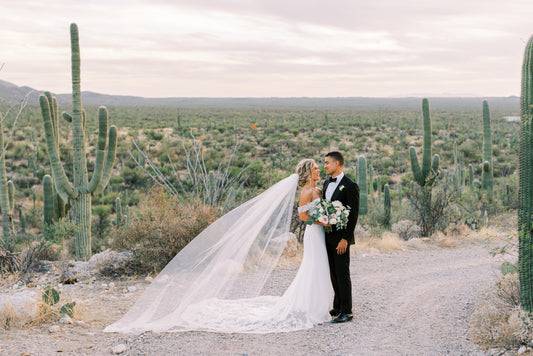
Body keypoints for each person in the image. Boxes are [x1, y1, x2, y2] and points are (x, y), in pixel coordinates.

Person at [104, 159, 333, 334]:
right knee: (312, 266)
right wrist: (320, 219)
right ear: (307, 172)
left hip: (320, 231)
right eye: (314, 167)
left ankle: (319, 302)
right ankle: (310, 304)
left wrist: (326, 217)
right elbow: (303, 217)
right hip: (314, 232)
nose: (318, 169)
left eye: (317, 167)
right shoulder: (306, 191)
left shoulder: (317, 189)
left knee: (319, 266)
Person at [323, 151, 359, 323]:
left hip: (341, 238)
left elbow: (353, 215)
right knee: (333, 272)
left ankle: (347, 311)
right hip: (327, 236)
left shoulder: (350, 185)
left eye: (327, 163)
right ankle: (337, 306)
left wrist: (346, 238)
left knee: (342, 273)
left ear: (337, 163)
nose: (325, 166)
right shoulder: (326, 183)